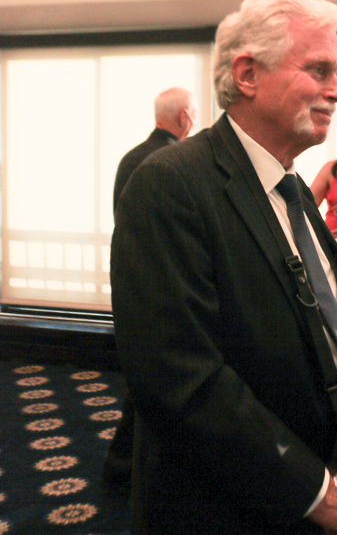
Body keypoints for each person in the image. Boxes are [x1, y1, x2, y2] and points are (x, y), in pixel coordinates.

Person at [110, 0, 337, 535]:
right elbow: (179, 378)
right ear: (247, 74)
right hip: (224, 510)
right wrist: (311, 490)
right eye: (319, 70)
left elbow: (328, 340)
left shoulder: (293, 190)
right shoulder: (171, 183)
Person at [102, 86, 196, 495]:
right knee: (153, 387)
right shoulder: (171, 164)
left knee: (143, 383)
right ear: (184, 118)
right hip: (161, 292)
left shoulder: (132, 157)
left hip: (132, 283)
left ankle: (125, 467)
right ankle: (124, 468)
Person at [111, 87, 196, 213]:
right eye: (194, 116)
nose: (194, 123)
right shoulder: (179, 162)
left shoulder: (129, 159)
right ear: (183, 117)